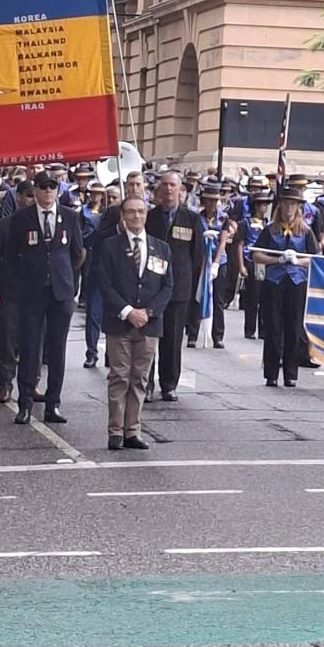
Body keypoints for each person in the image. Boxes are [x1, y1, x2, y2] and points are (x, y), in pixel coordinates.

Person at [7, 172, 84, 425]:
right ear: (36, 190)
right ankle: (25, 403)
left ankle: (54, 404)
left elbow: (77, 253)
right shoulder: (22, 218)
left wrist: (67, 279)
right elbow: (11, 256)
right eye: (43, 187)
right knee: (30, 348)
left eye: (53, 187)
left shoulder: (70, 217)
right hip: (32, 292)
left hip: (60, 292)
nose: (48, 192)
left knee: (57, 349)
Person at [97, 196, 173, 451]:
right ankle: (116, 431)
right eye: (131, 212)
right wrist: (128, 311)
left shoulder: (161, 248)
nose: (136, 217)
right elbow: (105, 284)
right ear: (123, 216)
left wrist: (148, 312)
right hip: (120, 322)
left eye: (140, 212)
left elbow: (167, 286)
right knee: (119, 376)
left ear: (146, 215)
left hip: (149, 325)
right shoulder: (109, 247)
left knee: (140, 378)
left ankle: (133, 430)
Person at [251, 186, 319, 388]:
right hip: (274, 282)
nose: (289, 208)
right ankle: (271, 373)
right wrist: (277, 259)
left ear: (298, 207)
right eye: (286, 203)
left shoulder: (306, 231)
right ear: (280, 205)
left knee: (293, 327)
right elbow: (256, 255)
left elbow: (315, 258)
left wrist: (298, 261)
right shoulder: (270, 229)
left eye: (293, 204)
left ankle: (291, 373)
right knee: (273, 328)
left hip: (296, 283)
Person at [145, 172, 204, 401]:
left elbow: (197, 256)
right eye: (165, 185)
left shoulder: (191, 219)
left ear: (181, 191)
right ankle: (146, 384)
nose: (169, 190)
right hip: (151, 288)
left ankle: (169, 384)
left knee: (172, 340)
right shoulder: (149, 218)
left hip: (179, 288)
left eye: (173, 186)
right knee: (149, 339)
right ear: (159, 191)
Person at [0, 179, 35, 402]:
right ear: (19, 198)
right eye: (29, 196)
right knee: (6, 338)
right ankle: (5, 383)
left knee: (33, 340)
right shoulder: (4, 225)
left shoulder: (41, 224)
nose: (33, 200)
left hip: (34, 292)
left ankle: (31, 383)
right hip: (9, 291)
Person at [186, 181, 234, 350]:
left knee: (218, 300)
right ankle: (192, 334)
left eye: (214, 200)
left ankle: (218, 336)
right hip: (200, 261)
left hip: (218, 261)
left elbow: (223, 241)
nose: (211, 203)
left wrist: (215, 264)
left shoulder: (224, 218)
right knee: (197, 297)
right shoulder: (196, 217)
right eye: (208, 200)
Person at [234, 190, 271, 339]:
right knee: (252, 298)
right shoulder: (245, 223)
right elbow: (240, 245)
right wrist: (241, 265)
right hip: (250, 261)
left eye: (266, 204)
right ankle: (249, 329)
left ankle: (263, 329)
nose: (264, 207)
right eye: (262, 204)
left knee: (265, 298)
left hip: (266, 263)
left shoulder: (268, 224)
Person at [82, 182, 107, 367]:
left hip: (118, 274)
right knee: (93, 313)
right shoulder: (86, 214)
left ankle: (111, 355)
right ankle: (91, 352)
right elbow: (84, 240)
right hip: (96, 268)